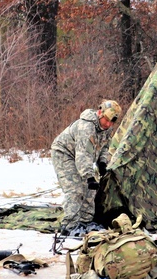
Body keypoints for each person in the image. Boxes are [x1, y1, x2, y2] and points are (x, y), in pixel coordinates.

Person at [52, 99, 121, 235]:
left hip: (83, 158)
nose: (108, 124)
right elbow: (83, 154)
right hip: (64, 154)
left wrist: (102, 163)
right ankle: (69, 226)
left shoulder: (107, 128)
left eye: (111, 122)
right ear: (100, 113)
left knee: (90, 191)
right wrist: (88, 176)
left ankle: (85, 221)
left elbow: (105, 146)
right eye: (106, 120)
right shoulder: (87, 127)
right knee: (76, 190)